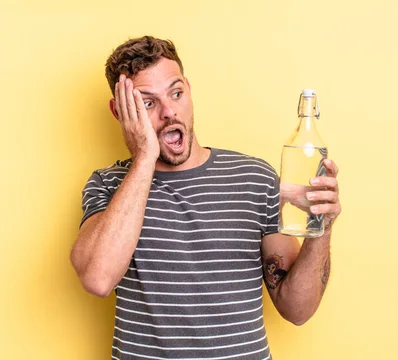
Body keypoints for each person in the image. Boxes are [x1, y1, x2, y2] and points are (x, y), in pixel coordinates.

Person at [70, 36, 342, 359]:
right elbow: (98, 278)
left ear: (189, 89)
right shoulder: (108, 185)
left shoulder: (255, 178)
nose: (169, 112)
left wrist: (320, 229)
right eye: (147, 103)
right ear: (120, 112)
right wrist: (144, 156)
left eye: (176, 93)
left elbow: (298, 309)